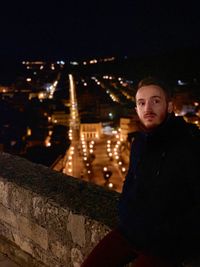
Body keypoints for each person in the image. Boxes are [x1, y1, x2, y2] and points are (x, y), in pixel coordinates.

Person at [81, 77, 200, 267]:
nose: (148, 108)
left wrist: (172, 235)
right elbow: (129, 186)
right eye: (141, 103)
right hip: (131, 232)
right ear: (136, 109)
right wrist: (127, 215)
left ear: (169, 107)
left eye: (156, 101)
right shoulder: (139, 144)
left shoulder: (189, 144)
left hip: (165, 245)